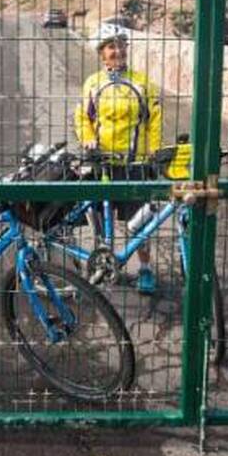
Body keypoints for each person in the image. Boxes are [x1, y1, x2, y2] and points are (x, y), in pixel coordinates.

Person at [74, 25, 163, 294]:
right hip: (102, 163)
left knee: (140, 222)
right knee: (101, 221)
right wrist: (87, 138)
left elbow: (154, 120)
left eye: (121, 45)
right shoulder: (93, 83)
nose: (117, 51)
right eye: (111, 47)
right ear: (101, 53)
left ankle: (145, 269)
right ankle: (105, 265)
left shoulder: (142, 82)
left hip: (135, 164)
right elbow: (82, 117)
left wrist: (154, 153)